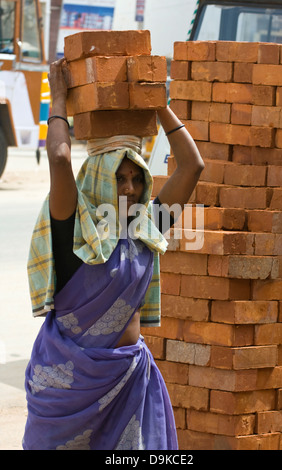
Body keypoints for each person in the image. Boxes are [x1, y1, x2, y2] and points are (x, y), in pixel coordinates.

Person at [23, 58, 204, 450]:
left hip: (127, 381)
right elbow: (59, 158)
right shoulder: (73, 230)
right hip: (70, 390)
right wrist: (57, 97)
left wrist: (156, 100)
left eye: (137, 178)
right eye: (118, 178)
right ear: (98, 179)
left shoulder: (146, 228)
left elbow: (192, 166)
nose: (129, 188)